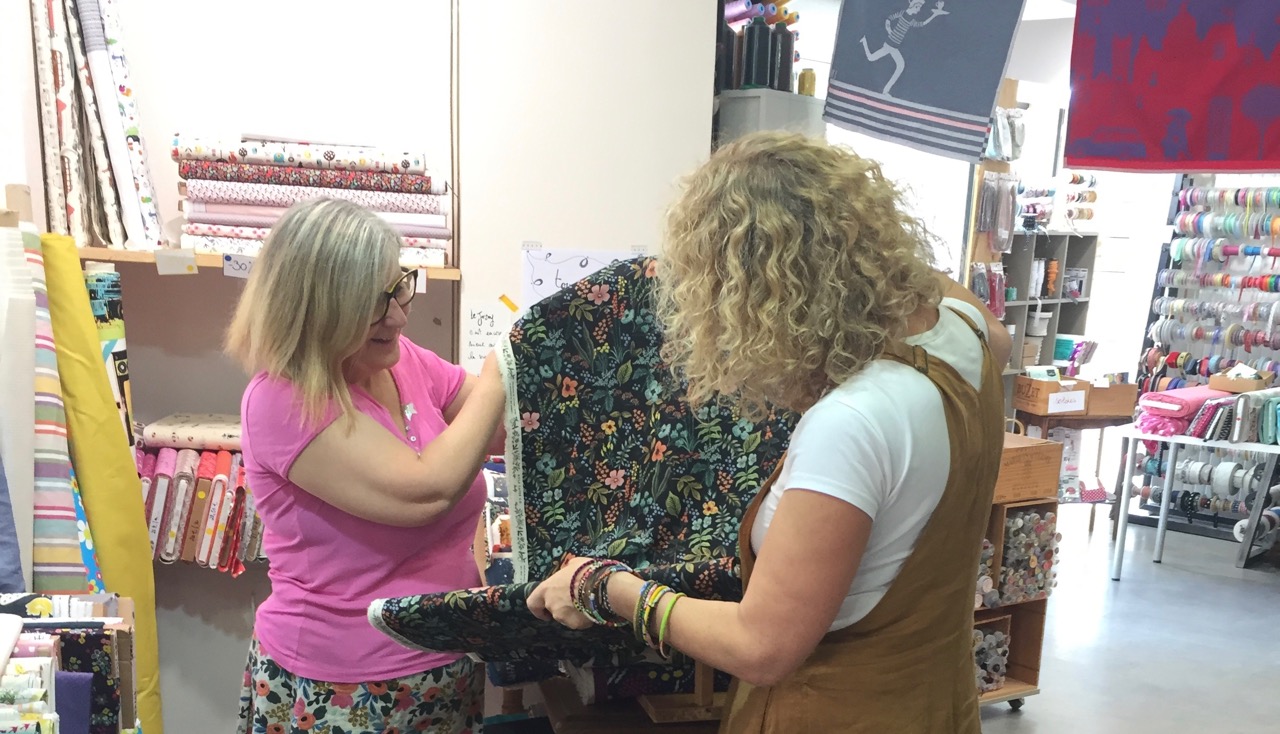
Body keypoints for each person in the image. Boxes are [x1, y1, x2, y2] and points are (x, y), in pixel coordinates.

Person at [527, 132, 1012, 733]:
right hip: (938, 708)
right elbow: (988, 324)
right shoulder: (967, 332)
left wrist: (607, 588)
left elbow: (763, 646)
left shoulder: (856, 420)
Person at [226, 199, 504, 734]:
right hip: (346, 689)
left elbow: (491, 431)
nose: (399, 313)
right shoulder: (284, 400)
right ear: (319, 308)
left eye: (399, 285)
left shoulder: (399, 359)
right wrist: (501, 368)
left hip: (442, 661)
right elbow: (425, 491)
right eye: (375, 303)